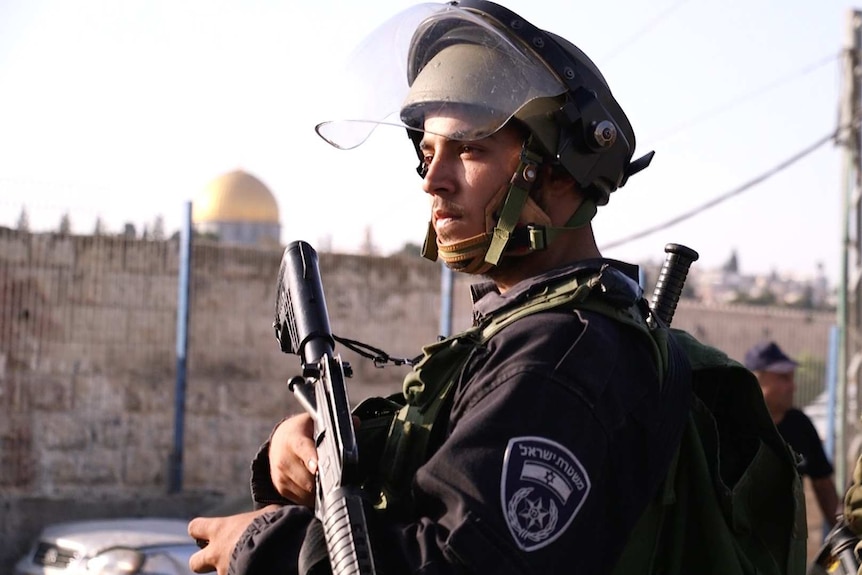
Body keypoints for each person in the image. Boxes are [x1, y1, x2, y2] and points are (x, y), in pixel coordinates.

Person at [187, 2, 804, 574]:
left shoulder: (561, 357)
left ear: (559, 174)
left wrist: (260, 543)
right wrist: (299, 455)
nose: (434, 179)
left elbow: (457, 563)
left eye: (469, 150)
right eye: (427, 152)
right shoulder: (530, 335)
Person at [744, 340, 840, 531]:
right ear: (756, 379)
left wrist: (844, 536)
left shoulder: (800, 425)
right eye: (783, 378)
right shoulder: (735, 423)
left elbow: (823, 485)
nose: (793, 386)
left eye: (792, 378)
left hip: (785, 540)